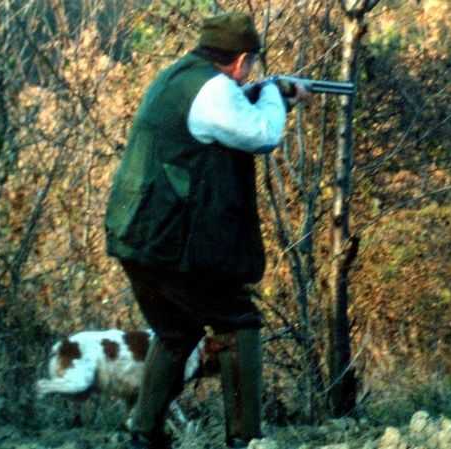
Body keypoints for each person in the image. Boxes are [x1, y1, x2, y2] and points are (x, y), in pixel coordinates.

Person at [104, 11, 308, 449]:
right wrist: (275, 95)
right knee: (239, 321)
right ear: (241, 61)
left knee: (177, 332)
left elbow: (221, 124)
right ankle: (246, 440)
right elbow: (261, 134)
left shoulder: (177, 77)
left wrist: (263, 94)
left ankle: (143, 436)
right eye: (250, 64)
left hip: (136, 238)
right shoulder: (215, 89)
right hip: (168, 245)